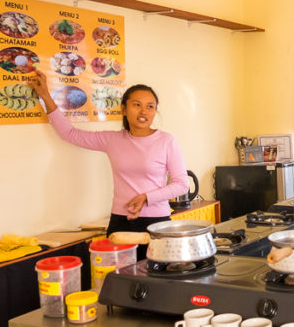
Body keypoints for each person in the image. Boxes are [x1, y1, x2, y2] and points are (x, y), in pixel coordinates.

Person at [29, 70, 188, 235]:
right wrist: (45, 96)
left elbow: (182, 185)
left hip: (156, 221)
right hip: (120, 220)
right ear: (124, 109)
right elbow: (69, 133)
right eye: (137, 105)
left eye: (150, 106)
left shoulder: (166, 141)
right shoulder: (112, 140)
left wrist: (147, 197)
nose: (144, 111)